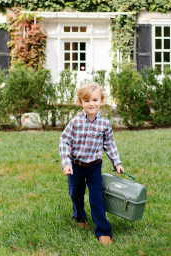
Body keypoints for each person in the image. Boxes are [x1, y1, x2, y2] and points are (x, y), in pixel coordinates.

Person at [59, 82, 124, 246]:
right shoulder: (75, 122)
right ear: (81, 103)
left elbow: (109, 144)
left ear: (101, 101)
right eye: (87, 101)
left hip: (94, 166)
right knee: (75, 194)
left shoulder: (104, 124)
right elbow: (64, 141)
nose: (91, 104)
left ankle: (103, 231)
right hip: (76, 166)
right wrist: (66, 163)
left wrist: (116, 162)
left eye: (95, 100)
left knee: (96, 198)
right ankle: (79, 216)